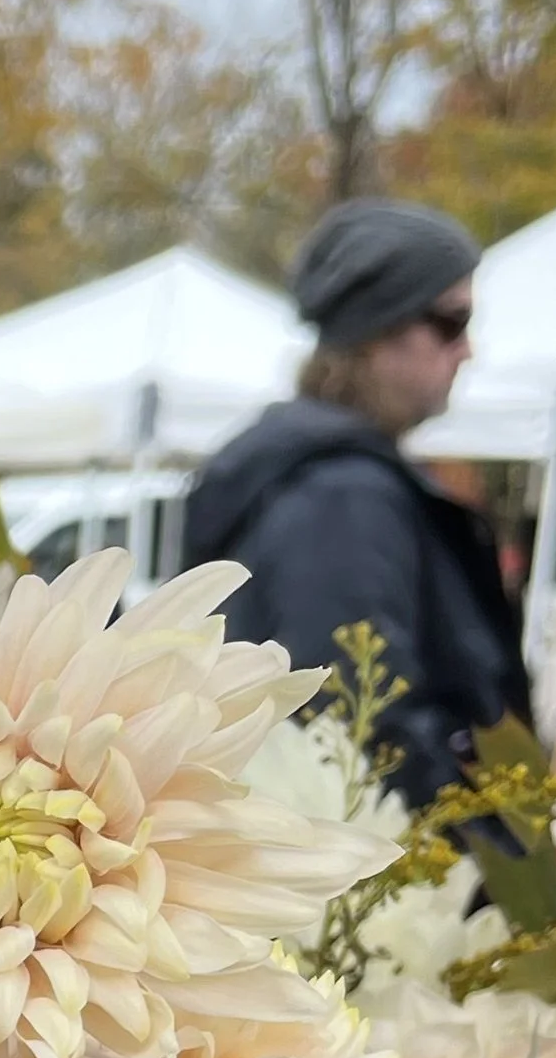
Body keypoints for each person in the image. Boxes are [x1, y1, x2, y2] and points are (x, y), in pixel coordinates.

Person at [183, 199, 527, 804]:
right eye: (451, 322)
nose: (467, 349)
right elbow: (359, 723)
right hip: (386, 872)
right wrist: (481, 854)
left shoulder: (332, 478)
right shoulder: (341, 495)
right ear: (375, 332)